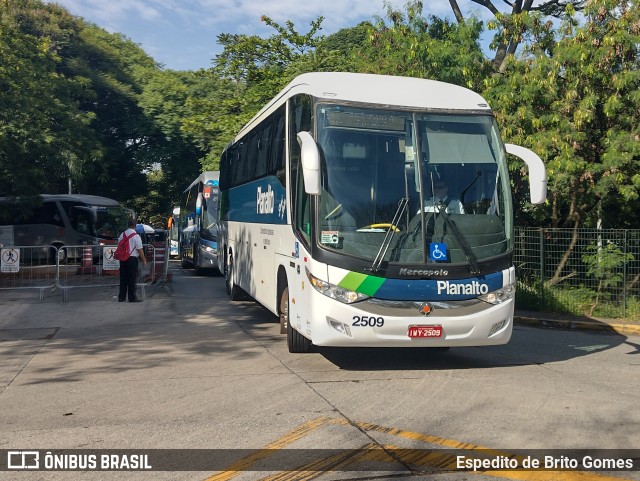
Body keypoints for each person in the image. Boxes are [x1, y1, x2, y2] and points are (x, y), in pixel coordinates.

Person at [118, 219, 147, 302]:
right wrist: (144, 259)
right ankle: (132, 297)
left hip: (123, 259)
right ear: (135, 226)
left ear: (128, 225)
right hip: (132, 259)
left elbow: (119, 246)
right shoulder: (136, 236)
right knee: (132, 278)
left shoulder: (122, 235)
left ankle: (121, 297)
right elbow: (139, 249)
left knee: (123, 278)